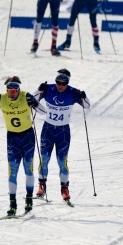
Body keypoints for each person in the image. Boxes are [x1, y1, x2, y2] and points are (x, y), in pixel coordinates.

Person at [0, 76, 46, 216]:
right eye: (10, 92)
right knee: (12, 172)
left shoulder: (25, 96)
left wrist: (34, 103)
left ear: (18, 90)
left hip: (27, 137)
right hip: (12, 138)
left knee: (28, 169)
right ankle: (13, 205)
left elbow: (43, 112)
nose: (12, 94)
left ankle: (29, 200)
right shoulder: (1, 98)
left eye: (14, 92)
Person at [33, 69, 90, 203]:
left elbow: (86, 106)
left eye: (63, 83)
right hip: (48, 130)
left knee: (62, 161)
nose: (60, 85)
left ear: (67, 83)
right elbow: (33, 101)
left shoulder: (72, 92)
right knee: (44, 159)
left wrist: (84, 96)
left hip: (63, 132)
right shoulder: (48, 89)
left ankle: (64, 189)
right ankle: (42, 186)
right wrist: (38, 90)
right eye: (58, 82)